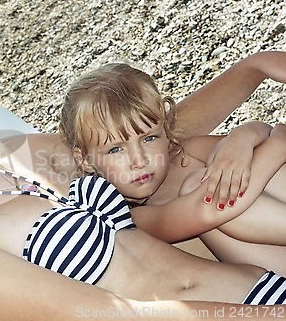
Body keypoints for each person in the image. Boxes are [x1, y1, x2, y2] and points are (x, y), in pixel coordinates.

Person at [0, 24, 286, 321]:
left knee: (224, 160)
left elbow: (142, 142)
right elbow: (111, 315)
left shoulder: (19, 153)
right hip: (244, 311)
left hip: (256, 283)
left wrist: (252, 72)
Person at [59, 61, 286, 273]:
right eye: (116, 150)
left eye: (148, 139)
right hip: (275, 271)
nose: (139, 160)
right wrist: (278, 144)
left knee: (227, 158)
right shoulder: (135, 219)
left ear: (166, 131)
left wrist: (243, 136)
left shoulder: (191, 152)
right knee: (200, 184)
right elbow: (208, 210)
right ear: (85, 160)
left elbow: (259, 140)